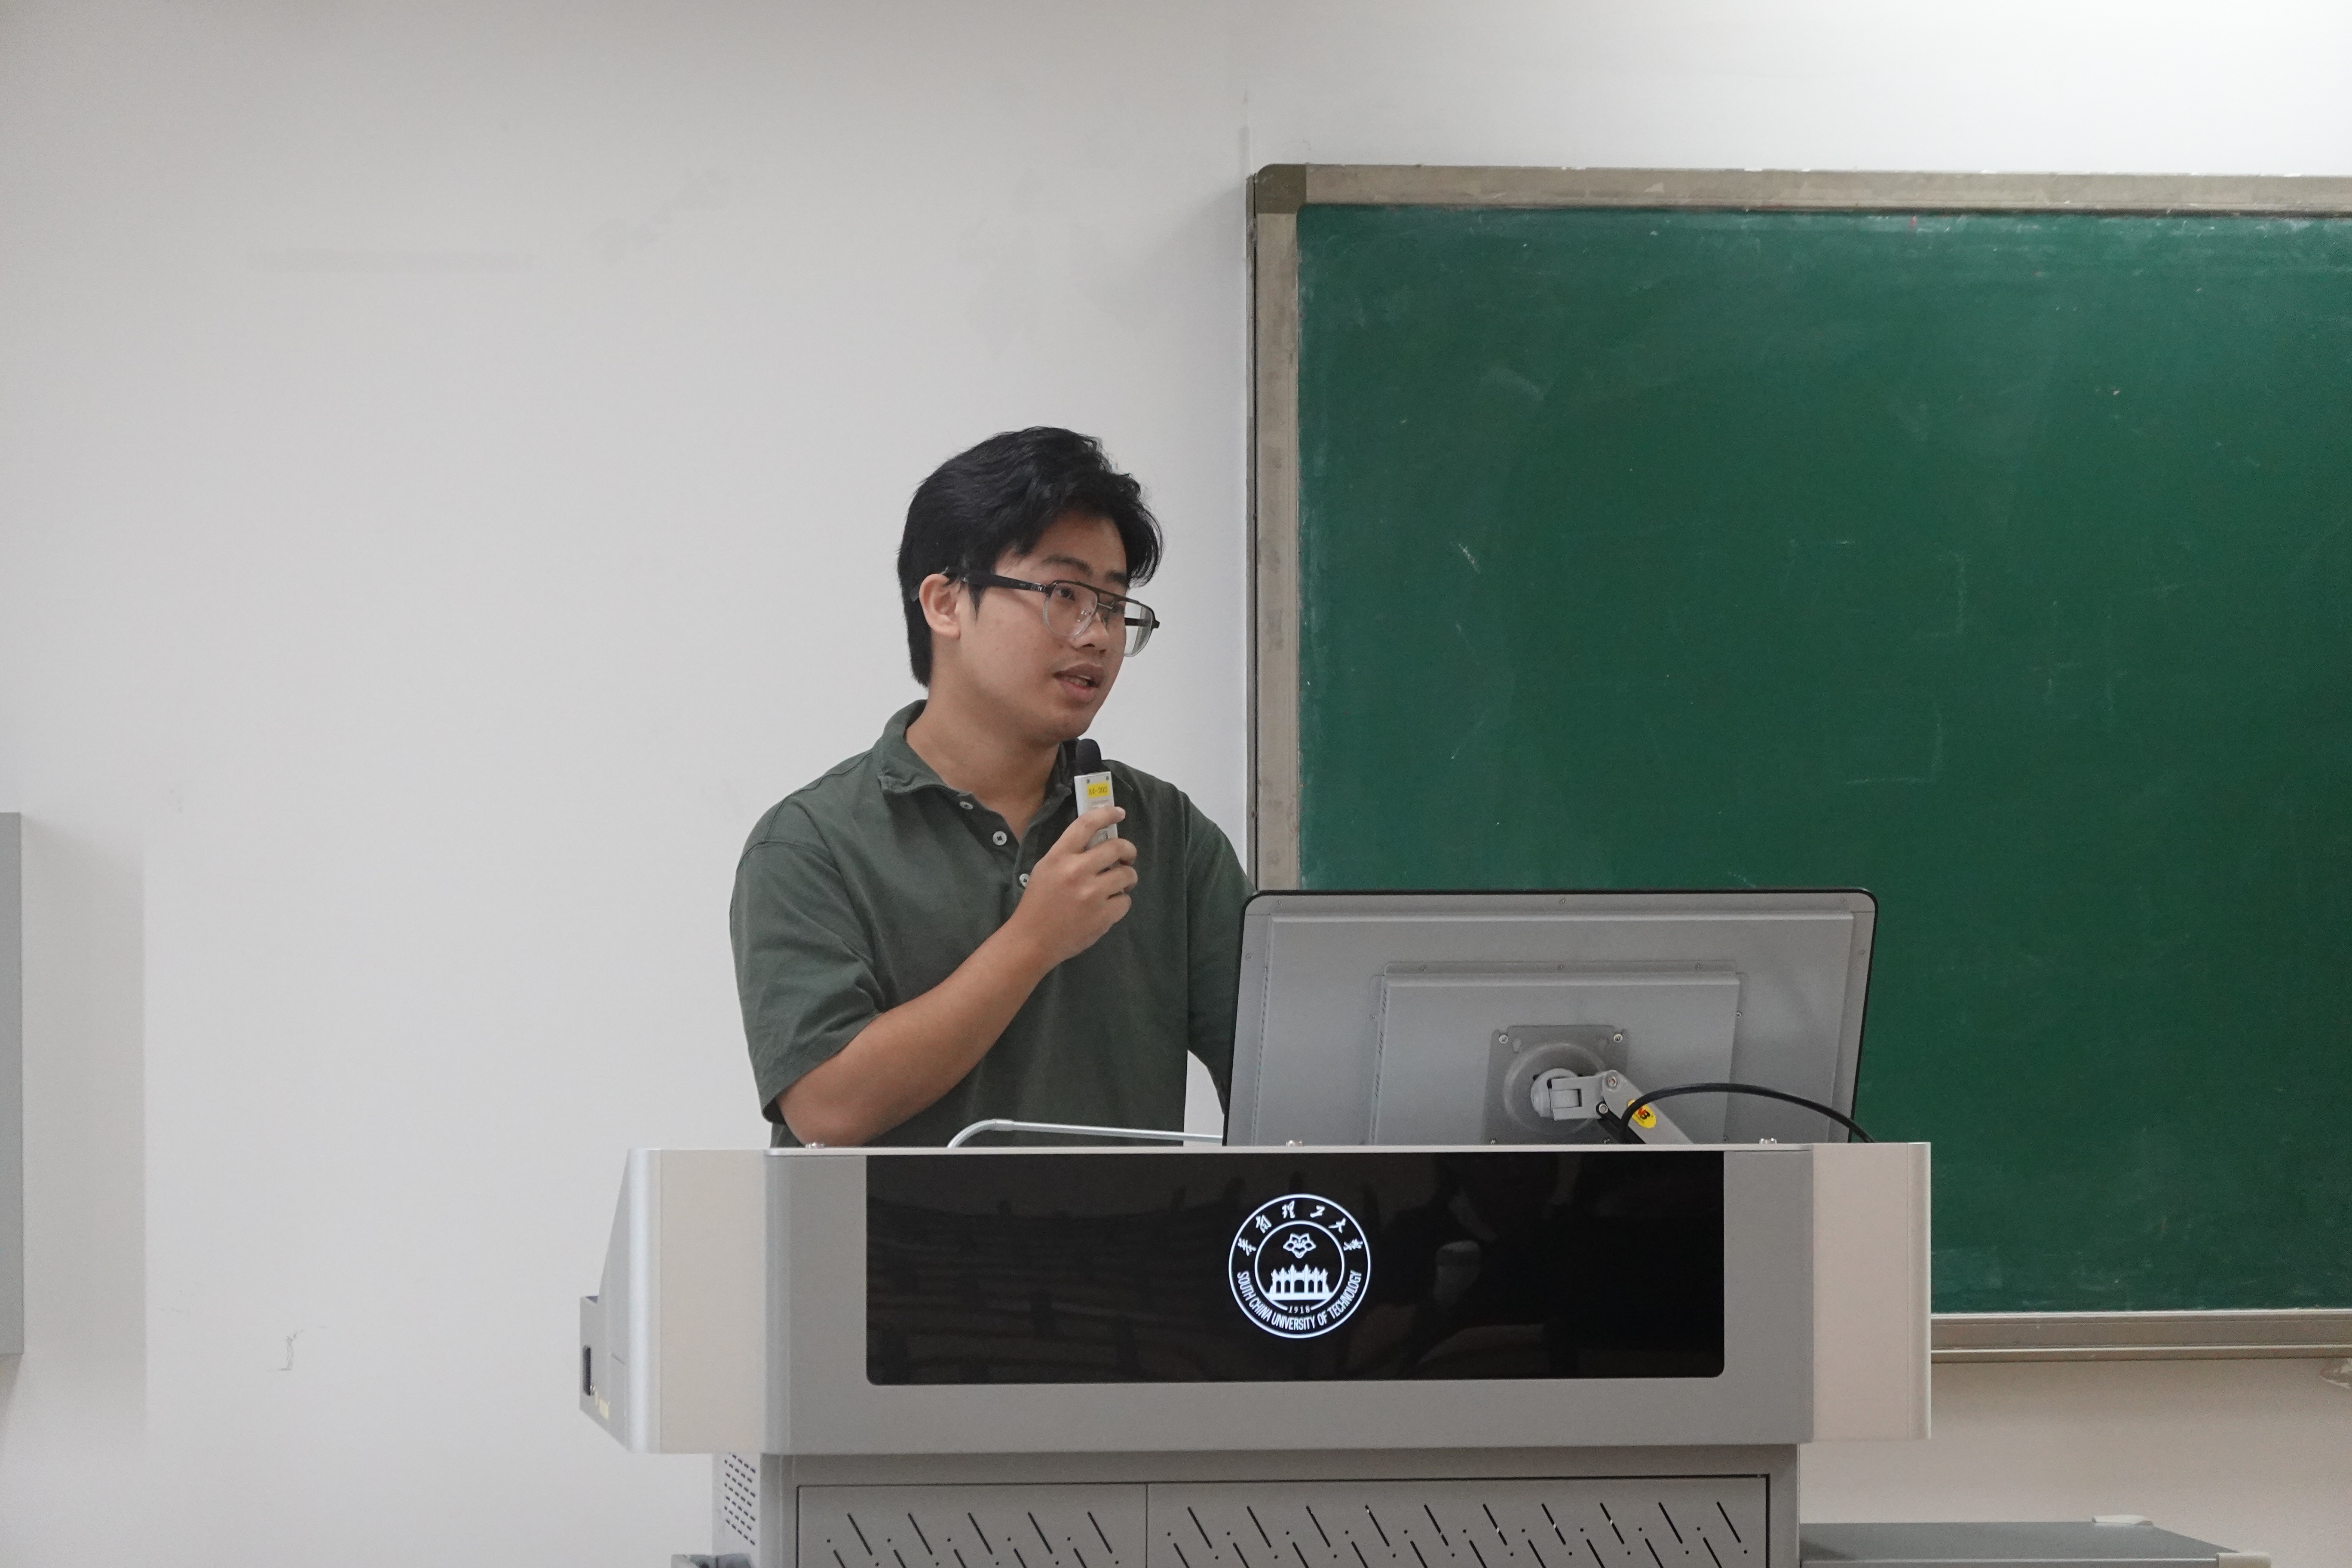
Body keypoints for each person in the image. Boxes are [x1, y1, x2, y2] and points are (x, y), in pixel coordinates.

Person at [730, 428, 1252, 1147]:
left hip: (1132, 1227)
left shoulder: (1169, 833)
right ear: (945, 604)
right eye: (1065, 594)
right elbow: (828, 1108)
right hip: (892, 1230)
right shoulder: (813, 842)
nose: (1097, 636)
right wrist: (1034, 940)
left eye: (1113, 605)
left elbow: (1282, 1075)